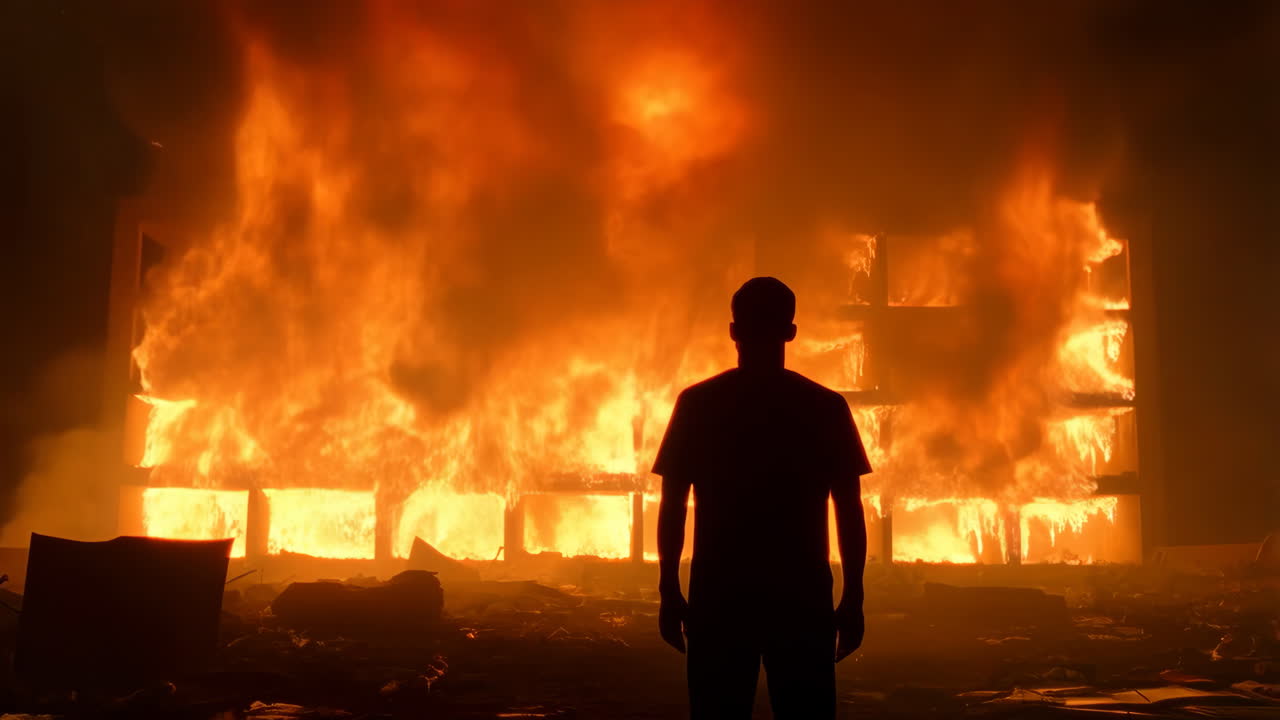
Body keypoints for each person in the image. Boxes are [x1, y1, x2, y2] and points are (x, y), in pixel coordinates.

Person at [653, 276, 872, 719]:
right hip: (800, 596)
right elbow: (848, 509)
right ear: (790, 331)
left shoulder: (698, 404)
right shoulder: (825, 407)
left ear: (733, 330)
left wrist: (670, 589)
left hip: (720, 594)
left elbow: (673, 504)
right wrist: (853, 597)